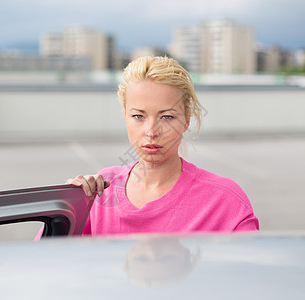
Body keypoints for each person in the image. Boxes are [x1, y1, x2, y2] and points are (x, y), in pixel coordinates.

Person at [66, 56, 259, 236]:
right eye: (138, 116)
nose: (151, 131)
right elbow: (50, 260)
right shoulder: (99, 193)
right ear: (125, 116)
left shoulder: (225, 200)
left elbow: (249, 269)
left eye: (167, 117)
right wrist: (67, 209)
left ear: (186, 121)